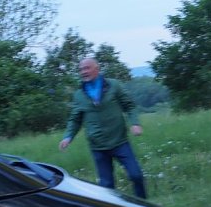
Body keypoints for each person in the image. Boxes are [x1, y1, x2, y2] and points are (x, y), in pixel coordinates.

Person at [59, 57, 147, 198]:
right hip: (98, 147)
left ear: (97, 69)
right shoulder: (79, 95)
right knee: (106, 186)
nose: (83, 72)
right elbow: (75, 119)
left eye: (87, 68)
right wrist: (68, 137)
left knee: (136, 175)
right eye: (81, 69)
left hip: (119, 142)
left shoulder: (114, 85)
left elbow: (129, 105)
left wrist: (135, 123)